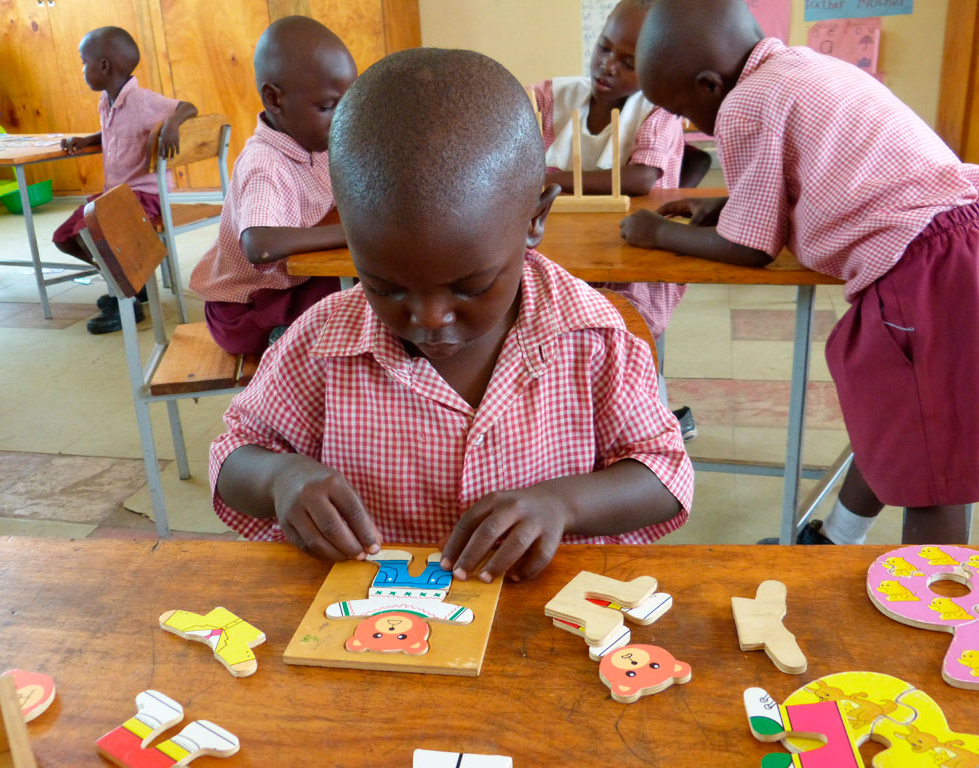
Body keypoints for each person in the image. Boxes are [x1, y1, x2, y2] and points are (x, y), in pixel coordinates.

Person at [209, 48, 693, 582]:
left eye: (470, 286)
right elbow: (233, 453)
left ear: (536, 219)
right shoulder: (323, 343)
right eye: (385, 286)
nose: (430, 318)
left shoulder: (591, 338)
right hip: (377, 629)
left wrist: (564, 504)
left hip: (541, 627)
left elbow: (665, 475)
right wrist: (279, 479)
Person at [622, 0, 979, 544]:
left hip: (928, 270)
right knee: (905, 415)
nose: (696, 128)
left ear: (710, 85)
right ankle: (835, 538)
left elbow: (751, 249)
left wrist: (657, 233)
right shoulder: (806, 67)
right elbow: (814, 173)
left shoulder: (746, 103)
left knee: (937, 478)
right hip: (961, 236)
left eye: (688, 115)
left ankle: (934, 619)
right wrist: (728, 200)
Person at [529, 0, 707, 440]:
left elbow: (642, 176)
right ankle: (570, 425)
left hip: (628, 259)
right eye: (603, 49)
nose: (607, 67)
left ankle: (649, 425)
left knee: (625, 337)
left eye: (628, 62)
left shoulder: (658, 110)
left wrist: (554, 177)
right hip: (560, 248)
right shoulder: (552, 96)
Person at [188, 16, 355, 356]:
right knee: (359, 297)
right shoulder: (266, 164)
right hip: (245, 312)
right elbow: (259, 244)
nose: (342, 118)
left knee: (364, 285)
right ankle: (288, 342)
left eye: (347, 105)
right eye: (327, 107)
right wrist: (353, 232)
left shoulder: (312, 141)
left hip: (286, 287)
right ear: (275, 99)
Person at [57, 26, 197, 334]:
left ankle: (126, 303)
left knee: (91, 233)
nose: (82, 69)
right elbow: (115, 134)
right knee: (66, 237)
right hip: (116, 195)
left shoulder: (142, 101)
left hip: (143, 196)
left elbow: (189, 107)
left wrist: (172, 123)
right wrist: (88, 139)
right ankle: (131, 282)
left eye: (84, 61)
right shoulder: (106, 101)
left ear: (104, 66)